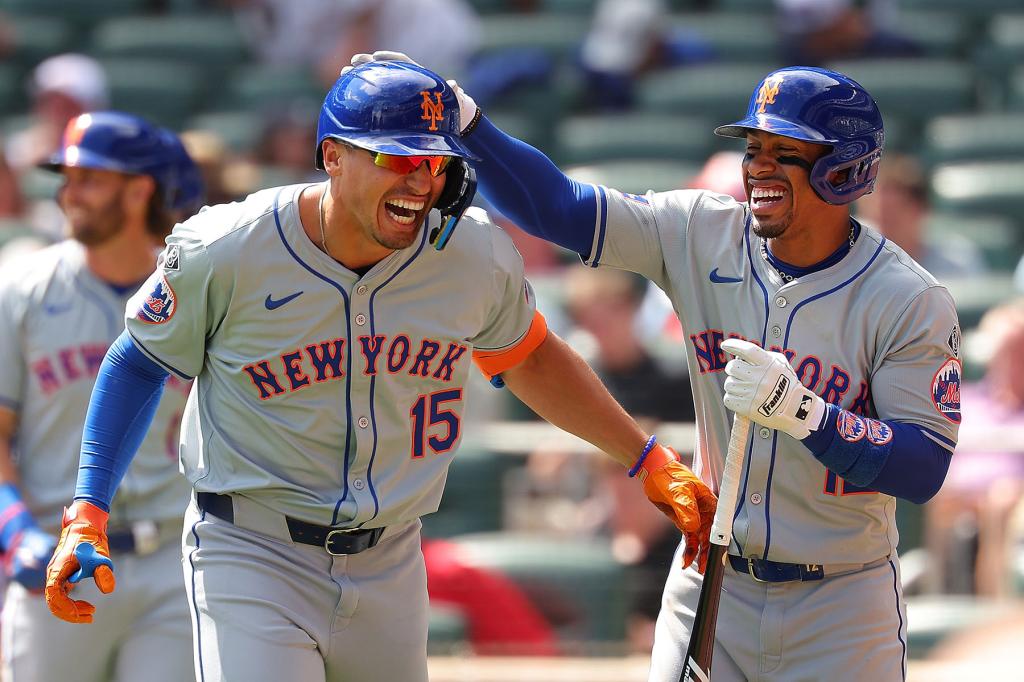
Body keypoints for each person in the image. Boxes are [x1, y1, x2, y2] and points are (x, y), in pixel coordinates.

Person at [42, 62, 717, 682]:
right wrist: (88, 511)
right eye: (397, 158)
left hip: (392, 558)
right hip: (253, 549)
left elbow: (532, 356)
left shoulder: (470, 251)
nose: (421, 182)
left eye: (435, 163)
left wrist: (645, 457)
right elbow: (136, 362)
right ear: (332, 157)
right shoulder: (228, 248)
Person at [352, 54, 961, 681]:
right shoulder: (701, 231)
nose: (759, 167)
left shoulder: (907, 299)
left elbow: (925, 466)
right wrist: (471, 125)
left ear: (842, 168)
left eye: (785, 151)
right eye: (753, 147)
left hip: (840, 603)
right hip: (712, 581)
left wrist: (811, 416)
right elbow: (559, 208)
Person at [0, 112, 201, 681]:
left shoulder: (195, 287)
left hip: (170, 555)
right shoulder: (21, 288)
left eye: (89, 178)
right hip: (60, 557)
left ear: (139, 190)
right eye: (67, 178)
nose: (69, 193)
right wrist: (15, 532)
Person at [855, 153, 988, 281]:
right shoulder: (851, 256)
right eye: (875, 212)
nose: (883, 222)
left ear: (922, 209)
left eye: (893, 212)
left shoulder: (959, 261)